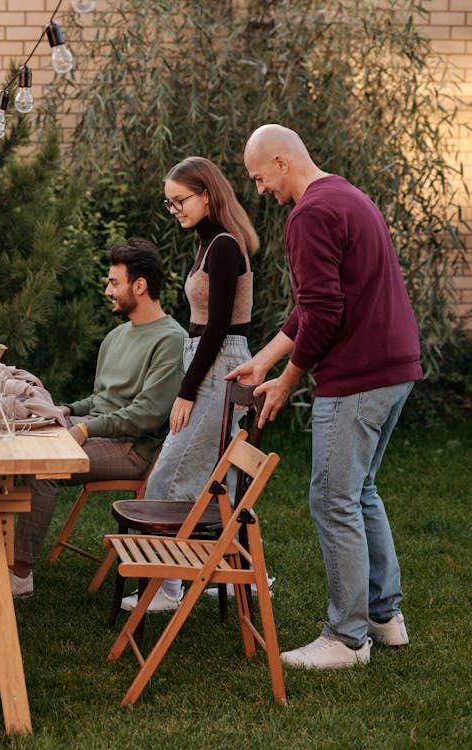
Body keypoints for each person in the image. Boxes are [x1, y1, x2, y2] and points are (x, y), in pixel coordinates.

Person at [231, 124, 422, 669]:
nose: (260, 189)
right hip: (394, 368)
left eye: (259, 176)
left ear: (283, 161)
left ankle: (346, 638)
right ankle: (384, 619)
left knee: (333, 499)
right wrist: (264, 359)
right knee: (360, 492)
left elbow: (325, 311)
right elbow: (316, 303)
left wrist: (289, 379)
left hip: (358, 376)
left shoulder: (309, 214)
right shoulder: (347, 195)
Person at [0, 239, 186, 599]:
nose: (107, 289)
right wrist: (66, 410)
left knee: (42, 468)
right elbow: (102, 398)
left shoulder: (171, 340)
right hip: (99, 431)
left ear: (139, 286)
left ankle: (19, 575)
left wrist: (83, 428)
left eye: (114, 282)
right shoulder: (117, 335)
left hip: (132, 448)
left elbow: (146, 414)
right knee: (6, 441)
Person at [119, 156, 260, 614]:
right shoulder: (208, 244)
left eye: (180, 200)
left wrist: (186, 390)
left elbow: (218, 326)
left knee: (170, 474)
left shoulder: (222, 246)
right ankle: (228, 574)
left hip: (217, 364)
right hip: (208, 360)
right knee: (205, 473)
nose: (175, 209)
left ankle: (166, 586)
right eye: (170, 203)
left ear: (206, 194)